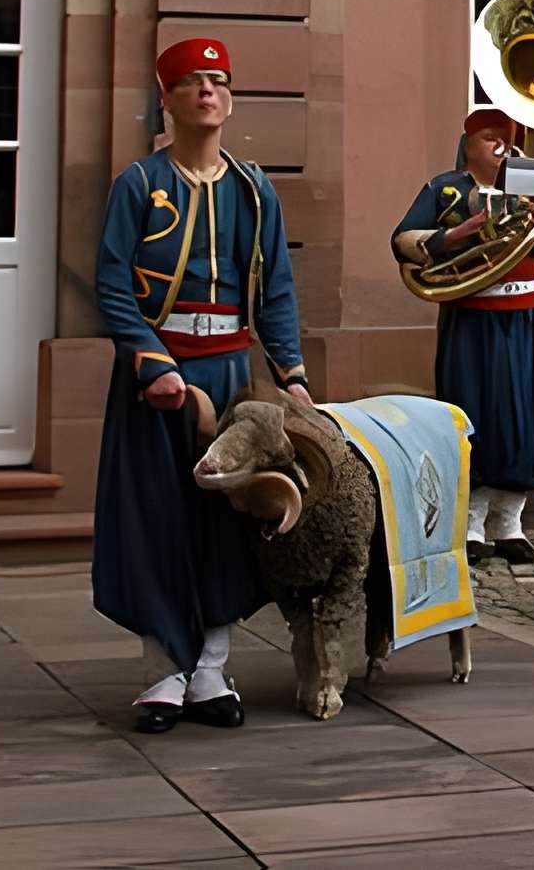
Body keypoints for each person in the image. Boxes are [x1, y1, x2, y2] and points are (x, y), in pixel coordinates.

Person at [91, 37, 310, 733]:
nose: (207, 92)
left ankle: (212, 667)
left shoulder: (254, 189)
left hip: (229, 373)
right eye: (192, 83)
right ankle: (162, 670)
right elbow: (112, 285)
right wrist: (151, 362)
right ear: (169, 100)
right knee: (156, 520)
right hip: (159, 376)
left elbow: (275, 288)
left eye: (218, 80)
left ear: (230, 98)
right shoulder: (138, 184)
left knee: (225, 524)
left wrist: (292, 374)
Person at [391, 105, 534, 562]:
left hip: (529, 313)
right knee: (474, 410)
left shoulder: (531, 187)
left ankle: (511, 520)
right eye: (489, 138)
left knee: (526, 415)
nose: (501, 146)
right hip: (475, 312)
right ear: (469, 145)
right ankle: (472, 521)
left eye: (507, 137)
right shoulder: (446, 188)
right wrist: (454, 234)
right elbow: (401, 239)